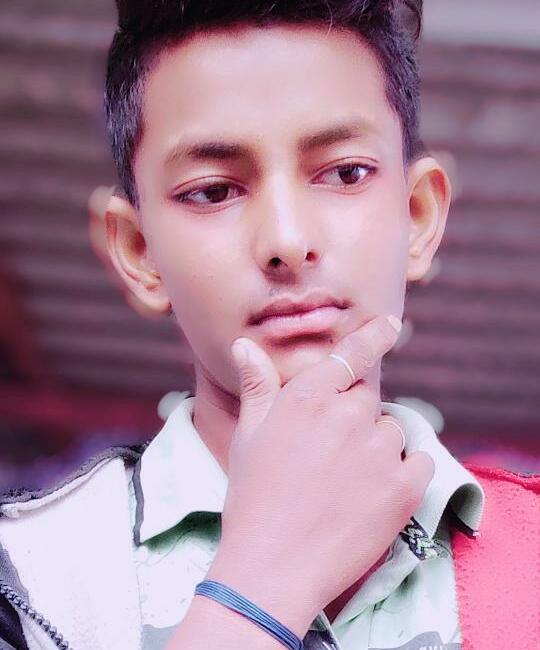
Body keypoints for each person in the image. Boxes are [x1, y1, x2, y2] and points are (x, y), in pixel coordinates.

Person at [1, 1, 538, 649]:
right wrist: (260, 589)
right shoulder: (26, 582)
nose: (286, 239)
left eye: (346, 173)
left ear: (418, 216)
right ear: (139, 252)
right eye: (213, 191)